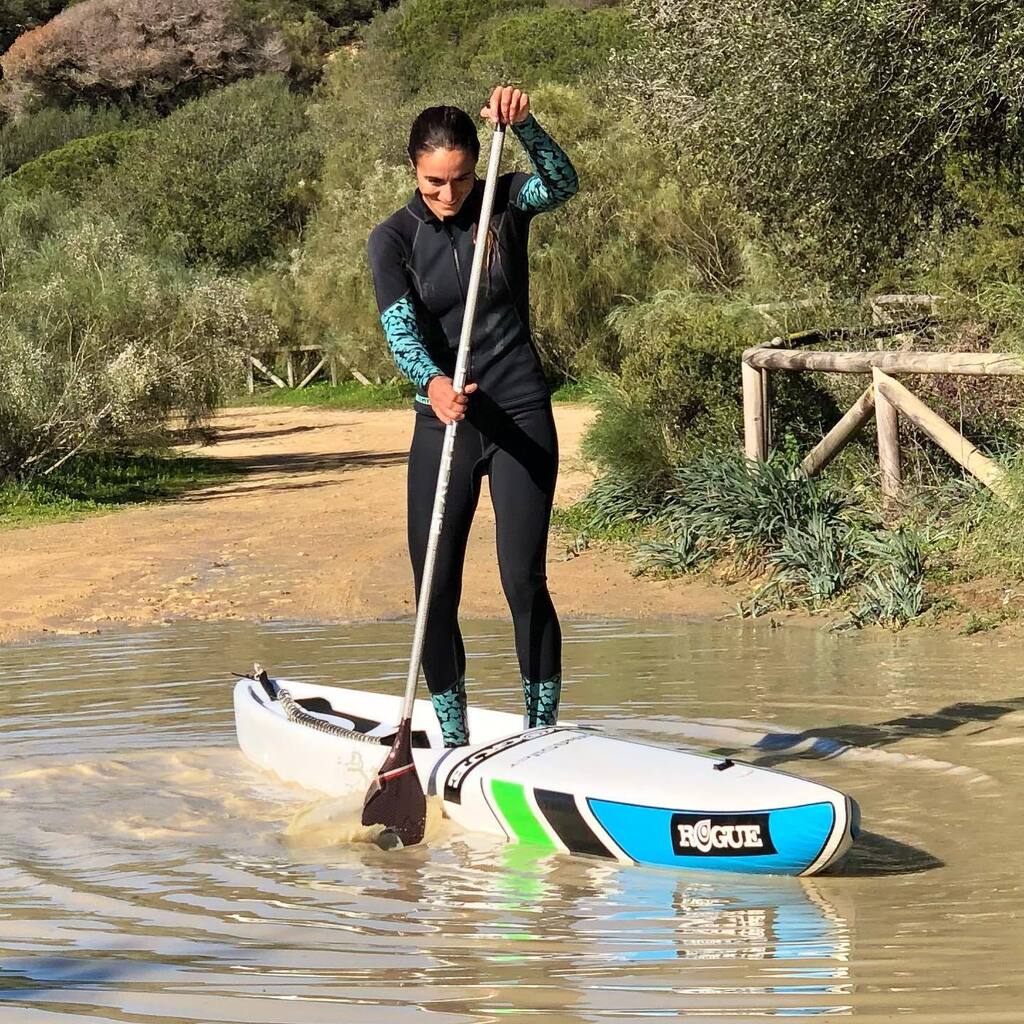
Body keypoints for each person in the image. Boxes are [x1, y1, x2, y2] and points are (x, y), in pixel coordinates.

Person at [367, 85, 579, 747]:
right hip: (446, 423)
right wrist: (431, 382)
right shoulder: (392, 239)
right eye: (434, 183)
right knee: (434, 588)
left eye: (460, 180)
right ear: (412, 169)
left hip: (518, 409)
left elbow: (563, 183)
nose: (449, 195)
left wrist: (527, 126)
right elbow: (400, 329)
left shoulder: (505, 201)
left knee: (524, 579)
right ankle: (452, 739)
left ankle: (540, 733)